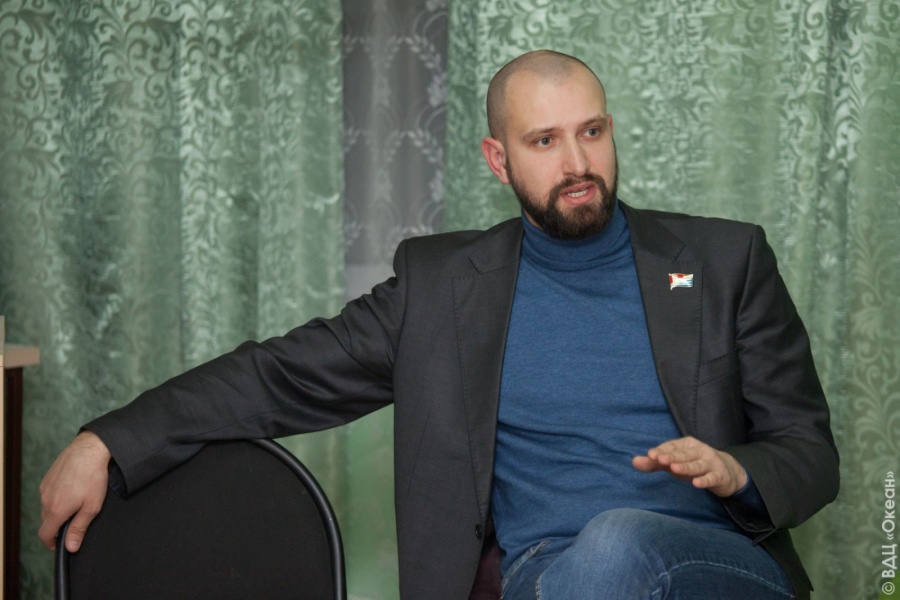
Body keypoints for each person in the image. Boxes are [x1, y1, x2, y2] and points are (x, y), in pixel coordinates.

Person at [39, 50, 839, 599]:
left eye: (592, 132)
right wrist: (108, 440)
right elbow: (277, 375)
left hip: (713, 565)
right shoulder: (443, 290)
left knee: (622, 540)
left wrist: (736, 471)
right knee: (599, 554)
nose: (578, 165)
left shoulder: (724, 261)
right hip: (549, 574)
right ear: (498, 160)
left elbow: (810, 454)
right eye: (545, 141)